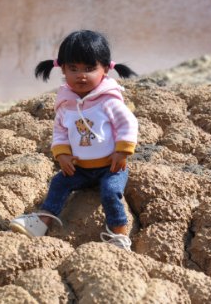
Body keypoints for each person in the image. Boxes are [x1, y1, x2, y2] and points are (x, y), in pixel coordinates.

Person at [9, 30, 138, 250]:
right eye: (73, 69)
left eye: (89, 69)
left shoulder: (108, 101)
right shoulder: (66, 104)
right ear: (63, 69)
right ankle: (42, 221)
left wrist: (122, 150)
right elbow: (59, 130)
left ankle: (119, 235)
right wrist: (63, 154)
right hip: (81, 168)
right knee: (59, 183)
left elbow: (128, 123)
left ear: (105, 69)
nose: (81, 75)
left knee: (110, 192)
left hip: (111, 166)